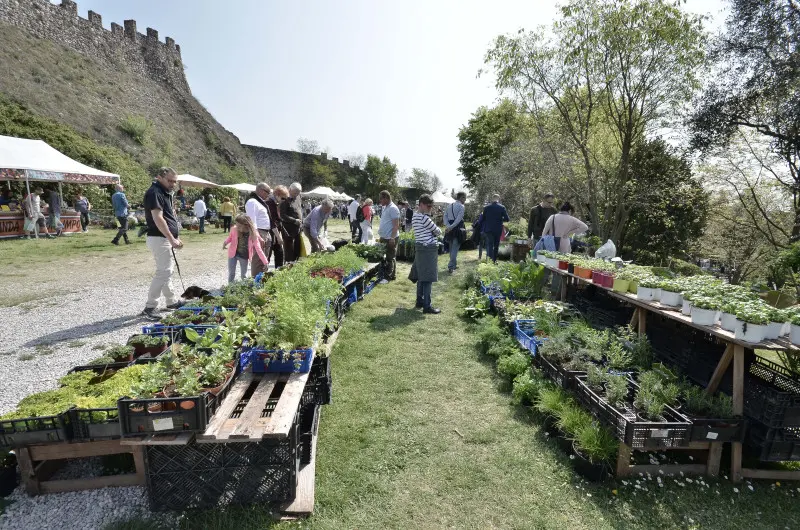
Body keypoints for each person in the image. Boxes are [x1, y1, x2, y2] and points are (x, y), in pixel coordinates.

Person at [142, 167, 184, 319]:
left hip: (163, 237)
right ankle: (150, 307)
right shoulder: (155, 192)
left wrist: (173, 236)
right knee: (164, 272)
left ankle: (171, 301)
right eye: (170, 180)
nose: (173, 184)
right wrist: (172, 239)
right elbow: (158, 218)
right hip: (159, 237)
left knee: (167, 270)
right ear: (159, 177)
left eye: (175, 181)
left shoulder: (163, 192)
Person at [412, 194, 442, 314]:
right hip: (428, 249)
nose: (430, 208)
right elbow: (438, 231)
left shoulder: (415, 216)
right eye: (429, 206)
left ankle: (420, 300)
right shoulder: (425, 218)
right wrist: (433, 232)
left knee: (421, 276)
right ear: (422, 204)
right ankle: (427, 306)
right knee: (428, 278)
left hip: (420, 248)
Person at [222, 214, 269, 283]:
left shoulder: (253, 234)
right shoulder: (234, 229)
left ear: (246, 225)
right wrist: (225, 242)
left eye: (239, 226)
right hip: (233, 254)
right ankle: (230, 288)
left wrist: (265, 262)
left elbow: (259, 249)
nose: (237, 227)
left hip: (244, 256)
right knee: (231, 273)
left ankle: (245, 288)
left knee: (243, 275)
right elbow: (230, 238)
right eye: (236, 225)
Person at [245, 183, 273, 277]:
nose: (268, 195)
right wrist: (256, 235)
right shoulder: (252, 201)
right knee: (257, 260)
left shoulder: (260, 202)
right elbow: (251, 220)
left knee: (264, 259)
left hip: (265, 232)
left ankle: (261, 280)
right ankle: (256, 282)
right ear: (260, 190)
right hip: (259, 232)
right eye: (267, 192)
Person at [377, 190, 401, 283]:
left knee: (390, 257)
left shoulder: (393, 208)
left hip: (390, 237)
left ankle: (388, 277)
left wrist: (392, 238)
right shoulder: (386, 207)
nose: (380, 201)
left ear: (386, 198)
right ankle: (389, 274)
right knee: (386, 257)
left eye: (381, 199)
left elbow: (396, 225)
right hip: (384, 236)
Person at [482, 194, 510, 263]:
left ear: (492, 198)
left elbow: (483, 218)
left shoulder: (486, 207)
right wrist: (500, 218)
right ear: (498, 199)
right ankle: (494, 261)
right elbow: (507, 219)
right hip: (497, 229)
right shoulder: (502, 207)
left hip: (488, 229)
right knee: (496, 245)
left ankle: (488, 261)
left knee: (489, 245)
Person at [444, 192, 467, 273]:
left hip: (450, 228)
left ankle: (454, 264)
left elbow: (445, 216)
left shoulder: (449, 206)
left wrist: (448, 226)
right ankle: (451, 266)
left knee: (451, 248)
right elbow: (458, 220)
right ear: (461, 198)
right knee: (454, 248)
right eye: (465, 198)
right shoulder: (461, 206)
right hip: (457, 228)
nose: (465, 200)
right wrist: (450, 227)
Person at [280, 182, 304, 262]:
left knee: (298, 246)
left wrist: (301, 222)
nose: (296, 194)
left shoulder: (298, 197)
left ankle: (296, 263)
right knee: (289, 248)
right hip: (288, 228)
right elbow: (282, 215)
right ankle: (288, 263)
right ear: (290, 190)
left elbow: (299, 209)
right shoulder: (284, 200)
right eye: (295, 193)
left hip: (297, 227)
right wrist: (294, 220)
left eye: (298, 193)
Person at [267, 186, 288, 268]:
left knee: (279, 253)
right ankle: (261, 275)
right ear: (277, 194)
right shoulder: (269, 203)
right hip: (270, 232)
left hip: (275, 231)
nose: (284, 200)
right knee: (268, 254)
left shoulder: (276, 203)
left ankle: (279, 273)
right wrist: (278, 237)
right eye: (283, 198)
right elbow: (272, 222)